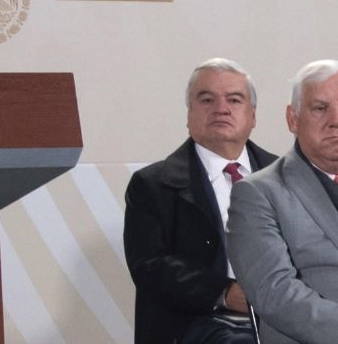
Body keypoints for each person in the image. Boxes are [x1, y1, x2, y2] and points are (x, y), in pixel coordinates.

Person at [124, 58, 278, 344]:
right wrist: (227, 293)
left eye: (234, 100)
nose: (221, 109)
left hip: (283, 318)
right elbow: (150, 267)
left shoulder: (286, 178)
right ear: (189, 114)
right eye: (207, 100)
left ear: (253, 115)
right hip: (198, 324)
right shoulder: (153, 185)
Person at [227, 59, 338, 344]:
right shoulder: (258, 194)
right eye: (320, 108)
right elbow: (275, 293)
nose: (335, 121)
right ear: (293, 118)